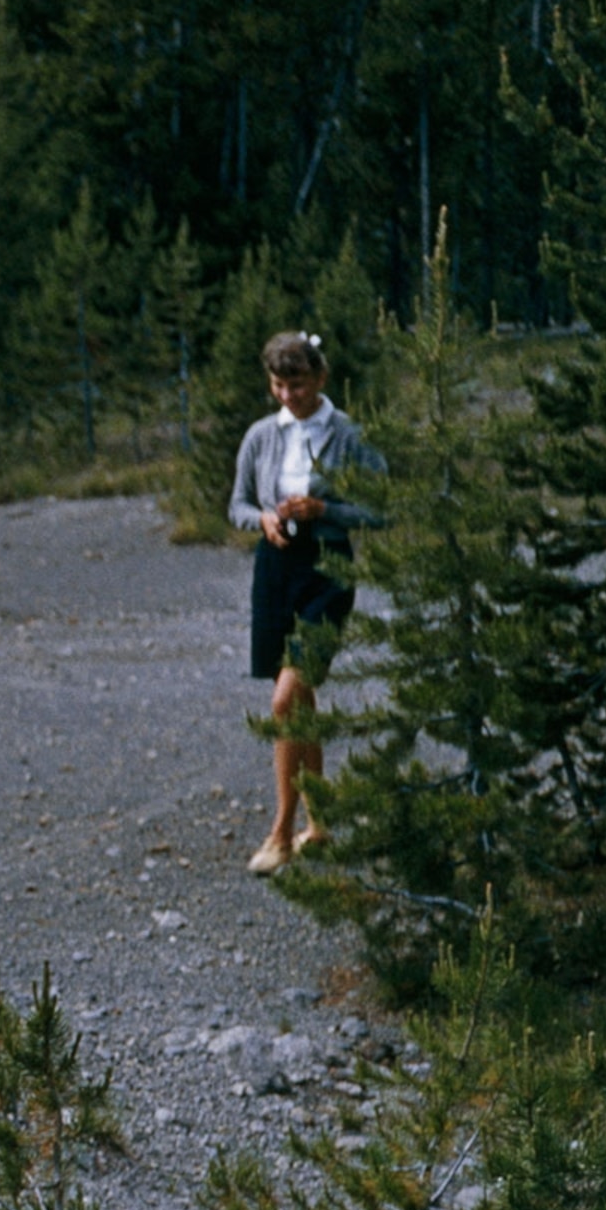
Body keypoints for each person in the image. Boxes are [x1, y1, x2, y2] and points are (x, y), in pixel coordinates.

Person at [227, 331, 384, 874]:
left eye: (296, 384)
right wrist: (265, 518)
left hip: (329, 569)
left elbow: (379, 508)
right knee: (298, 700)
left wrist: (327, 510)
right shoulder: (261, 436)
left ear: (320, 378)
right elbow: (239, 505)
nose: (287, 396)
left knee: (284, 701)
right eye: (278, 385)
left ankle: (280, 831)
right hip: (275, 568)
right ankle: (319, 823)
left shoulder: (348, 435)